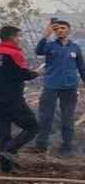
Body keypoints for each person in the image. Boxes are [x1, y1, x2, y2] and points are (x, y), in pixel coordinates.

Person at [0, 24, 41, 172]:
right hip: (13, 100)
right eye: (19, 36)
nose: (20, 39)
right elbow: (20, 74)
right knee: (32, 127)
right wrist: (35, 73)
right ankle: (11, 150)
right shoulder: (14, 54)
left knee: (3, 134)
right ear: (13, 37)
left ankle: (5, 168)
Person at [34, 19, 85, 156]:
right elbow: (38, 51)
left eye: (63, 28)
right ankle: (41, 144)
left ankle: (67, 147)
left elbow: (81, 67)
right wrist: (46, 34)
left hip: (70, 87)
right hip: (51, 86)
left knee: (67, 118)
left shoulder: (75, 47)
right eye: (57, 29)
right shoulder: (50, 46)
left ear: (69, 30)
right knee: (46, 116)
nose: (60, 30)